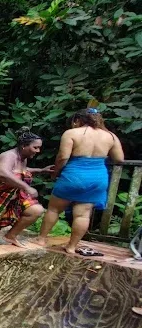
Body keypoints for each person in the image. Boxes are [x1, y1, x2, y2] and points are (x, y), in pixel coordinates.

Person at [34, 109, 124, 254]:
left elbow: (63, 157)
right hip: (97, 178)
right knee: (83, 215)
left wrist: (56, 172)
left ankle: (41, 239)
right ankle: (71, 247)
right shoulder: (110, 136)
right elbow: (119, 159)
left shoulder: (71, 133)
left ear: (77, 120)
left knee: (54, 209)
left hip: (74, 175)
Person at [0, 129, 53, 247]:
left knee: (36, 210)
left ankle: (11, 236)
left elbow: (21, 171)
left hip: (15, 198)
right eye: (35, 147)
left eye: (39, 148)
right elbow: (3, 173)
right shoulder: (9, 156)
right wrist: (26, 187)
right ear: (24, 145)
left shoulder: (23, 157)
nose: (38, 151)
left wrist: (41, 170)